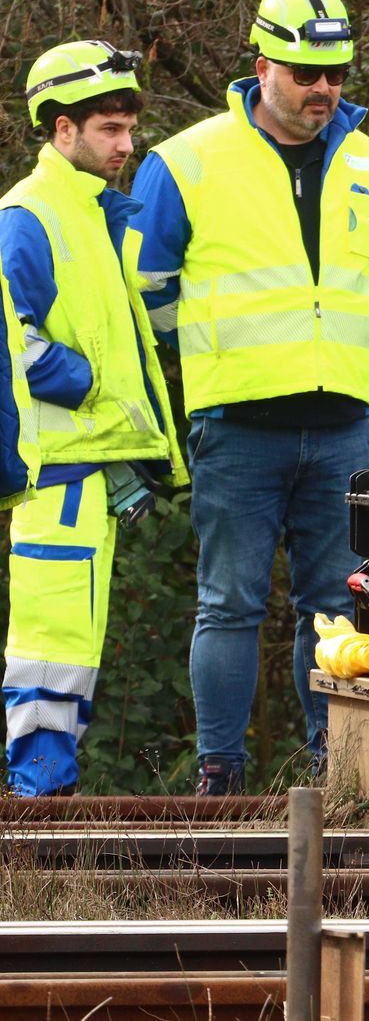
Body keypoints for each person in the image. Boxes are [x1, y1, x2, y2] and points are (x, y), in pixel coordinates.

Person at [132, 0, 369, 795]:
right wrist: (223, 357)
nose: (324, 88)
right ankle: (221, 778)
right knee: (229, 605)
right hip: (238, 422)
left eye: (336, 73)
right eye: (303, 72)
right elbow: (147, 291)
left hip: (341, 423)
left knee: (335, 607)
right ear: (262, 67)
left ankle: (335, 777)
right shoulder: (186, 160)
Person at [0, 41, 181, 796]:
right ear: (61, 129)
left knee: (72, 637)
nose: (126, 144)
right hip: (56, 468)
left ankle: (49, 792)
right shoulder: (29, 217)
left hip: (85, 465)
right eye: (110, 128)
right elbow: (16, 331)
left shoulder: (93, 213)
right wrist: (85, 383)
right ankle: (39, 793)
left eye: (129, 127)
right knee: (51, 638)